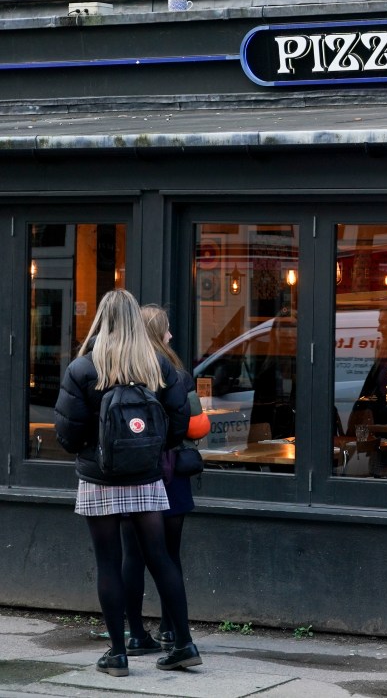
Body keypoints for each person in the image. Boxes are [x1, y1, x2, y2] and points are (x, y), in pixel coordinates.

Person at [54, 289, 202, 677]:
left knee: (109, 560)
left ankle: (118, 654)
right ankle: (184, 643)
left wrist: (94, 447)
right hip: (147, 476)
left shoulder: (84, 368)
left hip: (98, 475)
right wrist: (151, 450)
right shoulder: (156, 366)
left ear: (102, 319)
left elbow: (67, 434)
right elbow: (179, 422)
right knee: (160, 557)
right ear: (136, 320)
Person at [119, 305, 201, 657]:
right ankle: (172, 627)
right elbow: (194, 424)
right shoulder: (177, 374)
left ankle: (136, 633)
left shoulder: (124, 370)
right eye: (166, 330)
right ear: (157, 332)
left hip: (132, 471)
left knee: (132, 556)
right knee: (169, 555)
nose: (170, 336)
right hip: (170, 470)